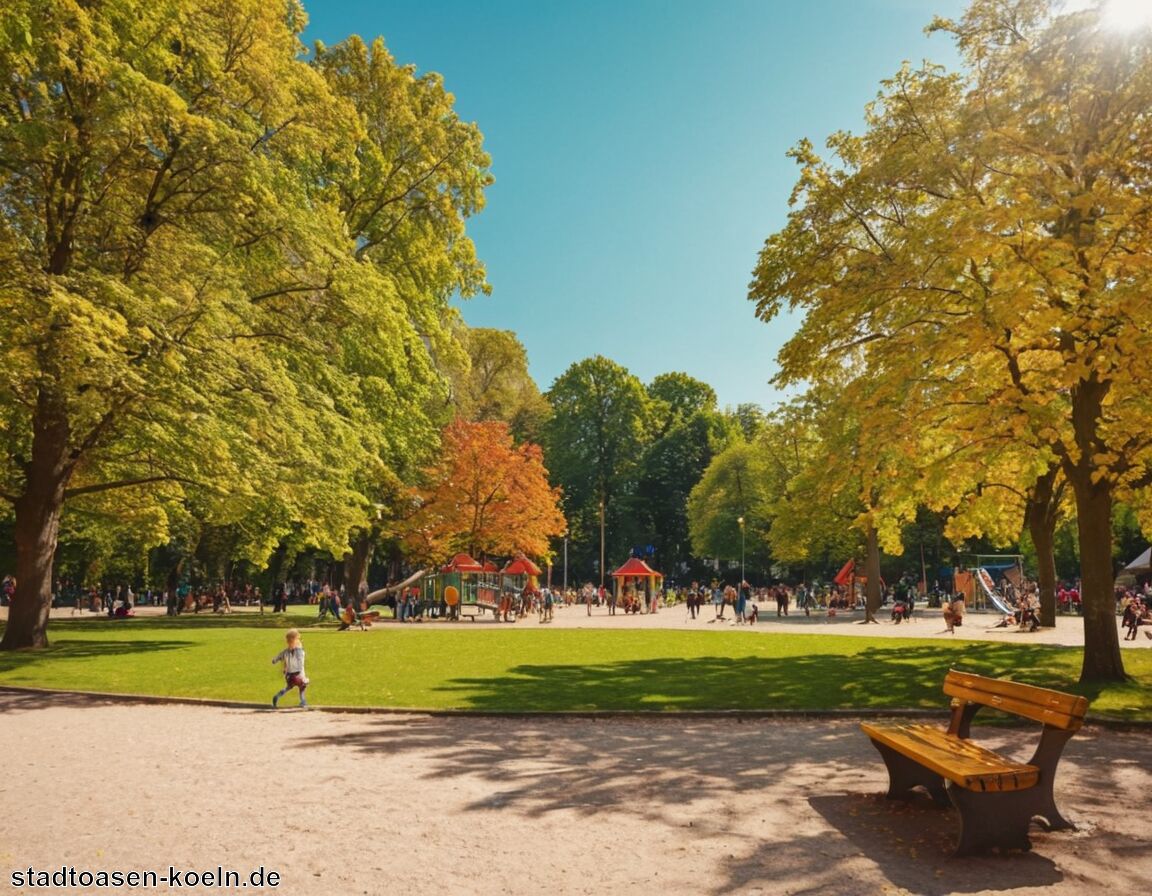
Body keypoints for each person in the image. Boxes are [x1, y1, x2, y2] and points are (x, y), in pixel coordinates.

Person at [271, 629, 309, 708]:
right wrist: (304, 677)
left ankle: (277, 696)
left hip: (289, 676)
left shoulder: (285, 652)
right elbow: (300, 665)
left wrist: (275, 661)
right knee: (302, 686)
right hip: (298, 675)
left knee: (288, 687)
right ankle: (303, 702)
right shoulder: (299, 651)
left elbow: (276, 659)